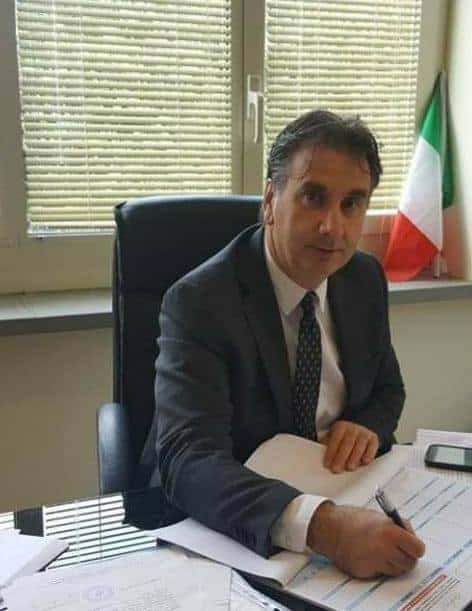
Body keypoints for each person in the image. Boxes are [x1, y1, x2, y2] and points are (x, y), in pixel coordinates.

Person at [147, 110, 425, 579]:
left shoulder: (362, 278)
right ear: (270, 201)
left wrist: (367, 425)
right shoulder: (200, 301)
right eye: (313, 197)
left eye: (352, 204)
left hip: (346, 490)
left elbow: (387, 389)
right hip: (236, 520)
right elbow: (189, 460)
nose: (333, 227)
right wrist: (324, 527)